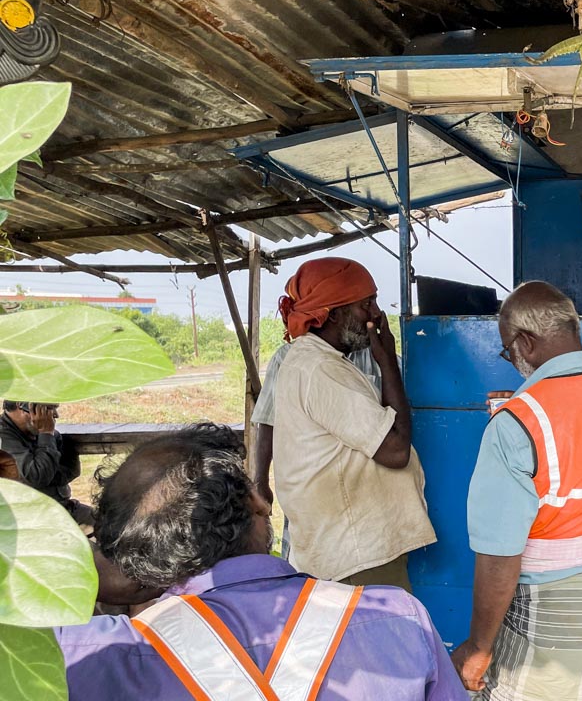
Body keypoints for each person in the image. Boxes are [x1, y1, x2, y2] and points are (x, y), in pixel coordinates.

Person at [55, 423, 467, 701]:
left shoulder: (94, 654)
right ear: (257, 500)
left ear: (135, 562)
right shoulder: (398, 617)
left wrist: (90, 575)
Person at [452, 281, 582, 699]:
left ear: (525, 343)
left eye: (507, 351)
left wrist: (478, 646)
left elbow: (499, 554)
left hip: (548, 607)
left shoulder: (516, 423)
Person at [273, 257, 435, 591]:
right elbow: (394, 450)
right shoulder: (320, 369)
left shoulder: (319, 361)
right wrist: (387, 359)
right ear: (333, 313)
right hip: (355, 555)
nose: (376, 314)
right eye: (366, 304)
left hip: (354, 547)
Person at [250, 340, 384, 560]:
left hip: (361, 489)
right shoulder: (288, 357)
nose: (374, 313)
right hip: (310, 487)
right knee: (308, 562)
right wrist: (261, 479)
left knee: (357, 561)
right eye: (365, 306)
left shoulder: (378, 357)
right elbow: (268, 421)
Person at [1, 400, 93, 526]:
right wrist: (46, 433)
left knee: (111, 525)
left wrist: (45, 475)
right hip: (29, 520)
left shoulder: (45, 433)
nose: (55, 415)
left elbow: (72, 470)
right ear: (23, 405)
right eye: (49, 408)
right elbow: (38, 476)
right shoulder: (4, 439)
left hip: (60, 509)